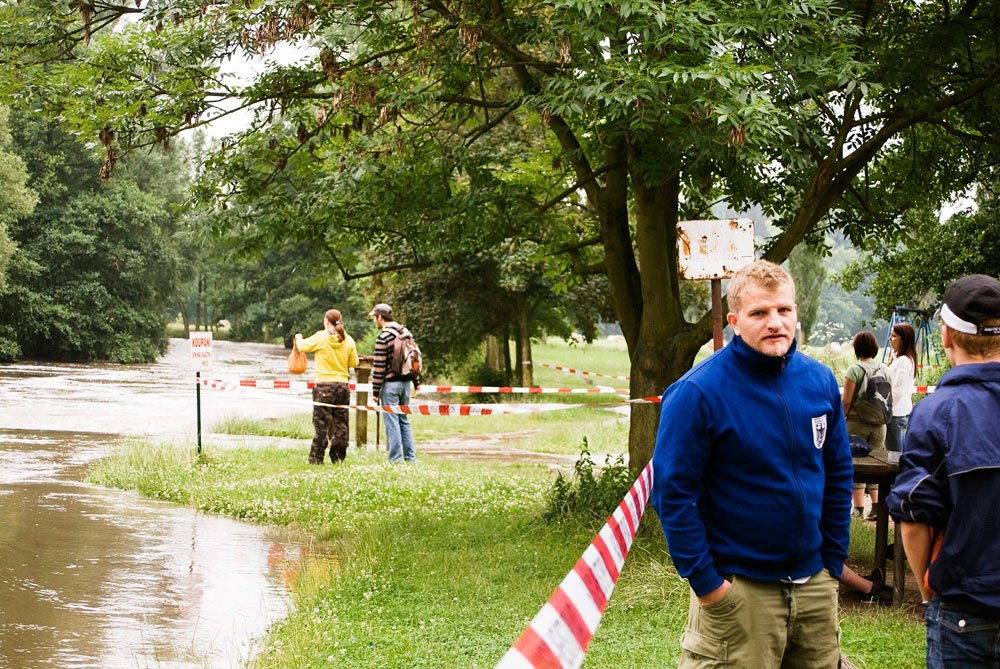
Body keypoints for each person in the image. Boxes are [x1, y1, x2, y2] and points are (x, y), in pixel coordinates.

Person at [652, 260, 853, 668]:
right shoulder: (697, 392)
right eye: (759, 313)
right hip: (740, 591)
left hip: (815, 587)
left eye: (784, 310)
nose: (775, 322)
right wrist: (708, 584)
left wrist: (832, 563)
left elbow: (838, 473)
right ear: (734, 322)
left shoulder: (819, 381)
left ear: (796, 312)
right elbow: (672, 496)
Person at [886, 274, 1000, 669]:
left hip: (964, 609)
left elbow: (914, 516)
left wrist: (927, 593)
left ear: (947, 334)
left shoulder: (937, 413)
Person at [295, 308, 359, 464]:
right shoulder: (348, 340)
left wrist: (298, 338)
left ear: (326, 321)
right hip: (342, 386)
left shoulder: (321, 337)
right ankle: (338, 456)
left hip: (324, 386)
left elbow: (302, 347)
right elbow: (354, 362)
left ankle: (316, 458)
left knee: (321, 424)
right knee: (342, 422)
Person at [843, 330, 889, 519]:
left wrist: (841, 419)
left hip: (857, 423)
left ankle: (859, 508)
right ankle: (877, 508)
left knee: (856, 463)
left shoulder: (855, 369)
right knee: (876, 463)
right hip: (880, 424)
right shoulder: (884, 369)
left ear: (857, 348)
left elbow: (846, 400)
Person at [369, 303, 417, 463]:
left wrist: (375, 391)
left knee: (392, 421)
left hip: (390, 385)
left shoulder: (383, 337)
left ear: (380, 317)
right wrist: (416, 382)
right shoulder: (406, 333)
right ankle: (410, 457)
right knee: (404, 420)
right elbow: (413, 360)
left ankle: (395, 458)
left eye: (374, 318)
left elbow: (379, 367)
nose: (374, 321)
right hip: (406, 384)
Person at [886, 322, 917, 460]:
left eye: (893, 336)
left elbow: (896, 391)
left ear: (903, 339)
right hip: (901, 412)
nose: (890, 339)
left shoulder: (904, 360)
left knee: (895, 459)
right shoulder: (903, 358)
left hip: (896, 414)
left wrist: (883, 406)